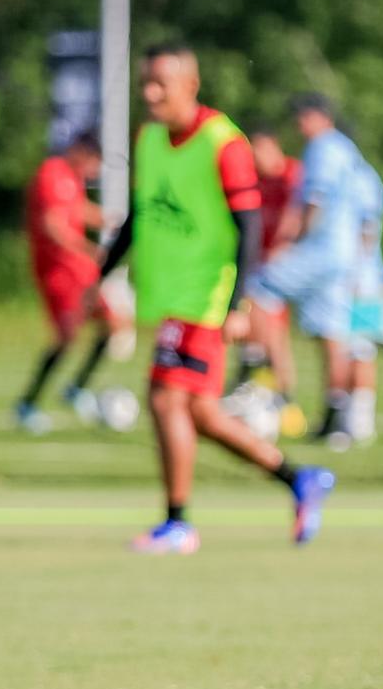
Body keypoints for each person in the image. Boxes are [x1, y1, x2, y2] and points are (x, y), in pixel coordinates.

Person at [95, 43, 336, 553]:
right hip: (171, 297)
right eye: (145, 82)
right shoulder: (150, 139)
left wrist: (236, 305)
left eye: (161, 82)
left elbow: (248, 225)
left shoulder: (223, 142)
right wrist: (100, 277)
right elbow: (140, 214)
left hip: (205, 300)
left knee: (163, 399)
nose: (150, 93)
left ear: (191, 84)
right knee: (201, 415)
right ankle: (299, 479)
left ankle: (177, 522)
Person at [245, 94, 377, 442]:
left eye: (302, 116)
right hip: (346, 258)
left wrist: (289, 241)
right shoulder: (350, 153)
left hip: (322, 249)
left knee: (256, 288)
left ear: (320, 117)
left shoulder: (322, 147)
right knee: (332, 334)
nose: (298, 124)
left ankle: (263, 379)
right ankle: (335, 418)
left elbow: (314, 200)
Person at [16, 131, 132, 432]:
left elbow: (78, 209)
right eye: (95, 162)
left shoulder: (70, 179)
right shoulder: (51, 174)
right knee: (67, 335)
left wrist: (115, 220)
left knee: (113, 324)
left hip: (80, 271)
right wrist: (91, 249)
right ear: (81, 151)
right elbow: (53, 225)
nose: (95, 171)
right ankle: (28, 403)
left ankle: (76, 389)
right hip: (58, 271)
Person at [231, 129, 308, 438]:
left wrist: (283, 251)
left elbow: (300, 216)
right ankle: (255, 388)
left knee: (271, 332)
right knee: (251, 330)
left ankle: (287, 403)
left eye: (259, 149)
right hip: (256, 266)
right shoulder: (253, 179)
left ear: (274, 146)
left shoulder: (292, 175)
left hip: (281, 269)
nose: (255, 157)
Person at [337, 154, 383, 448]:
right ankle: (348, 418)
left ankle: (360, 422)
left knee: (360, 348)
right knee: (346, 348)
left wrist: (358, 271)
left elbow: (367, 229)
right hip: (345, 278)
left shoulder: (361, 177)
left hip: (363, 278)